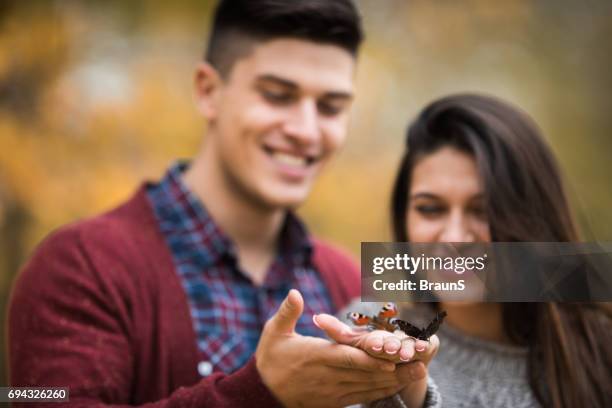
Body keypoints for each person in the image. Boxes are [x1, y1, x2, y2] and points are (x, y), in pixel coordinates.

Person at [8, 1, 434, 407]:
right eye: (278, 95)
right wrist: (261, 395)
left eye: (330, 107)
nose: (306, 130)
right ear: (208, 91)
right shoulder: (80, 265)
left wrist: (402, 394)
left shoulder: (347, 280)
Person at [316, 93, 612, 407]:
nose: (455, 237)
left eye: (483, 210)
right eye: (430, 209)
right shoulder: (366, 332)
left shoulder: (599, 352)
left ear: (534, 218)